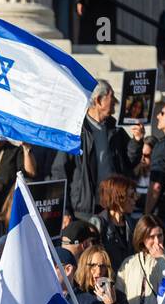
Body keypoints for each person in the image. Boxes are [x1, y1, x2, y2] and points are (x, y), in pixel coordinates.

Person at [50, 82, 138, 222]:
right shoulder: (76, 131)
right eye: (111, 96)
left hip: (112, 207)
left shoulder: (115, 129)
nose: (116, 101)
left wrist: (137, 141)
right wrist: (64, 209)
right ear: (98, 100)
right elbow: (59, 172)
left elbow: (130, 161)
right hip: (83, 210)